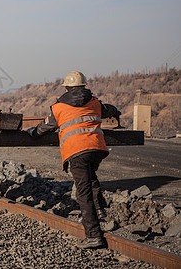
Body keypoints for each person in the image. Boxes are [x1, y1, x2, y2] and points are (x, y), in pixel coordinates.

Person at [28, 71, 121, 249]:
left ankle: (93, 236)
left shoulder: (59, 107)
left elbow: (44, 127)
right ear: (84, 86)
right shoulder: (95, 103)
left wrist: (33, 132)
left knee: (82, 193)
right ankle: (100, 211)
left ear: (67, 88)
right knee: (91, 179)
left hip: (77, 152)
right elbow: (110, 109)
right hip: (97, 149)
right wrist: (117, 112)